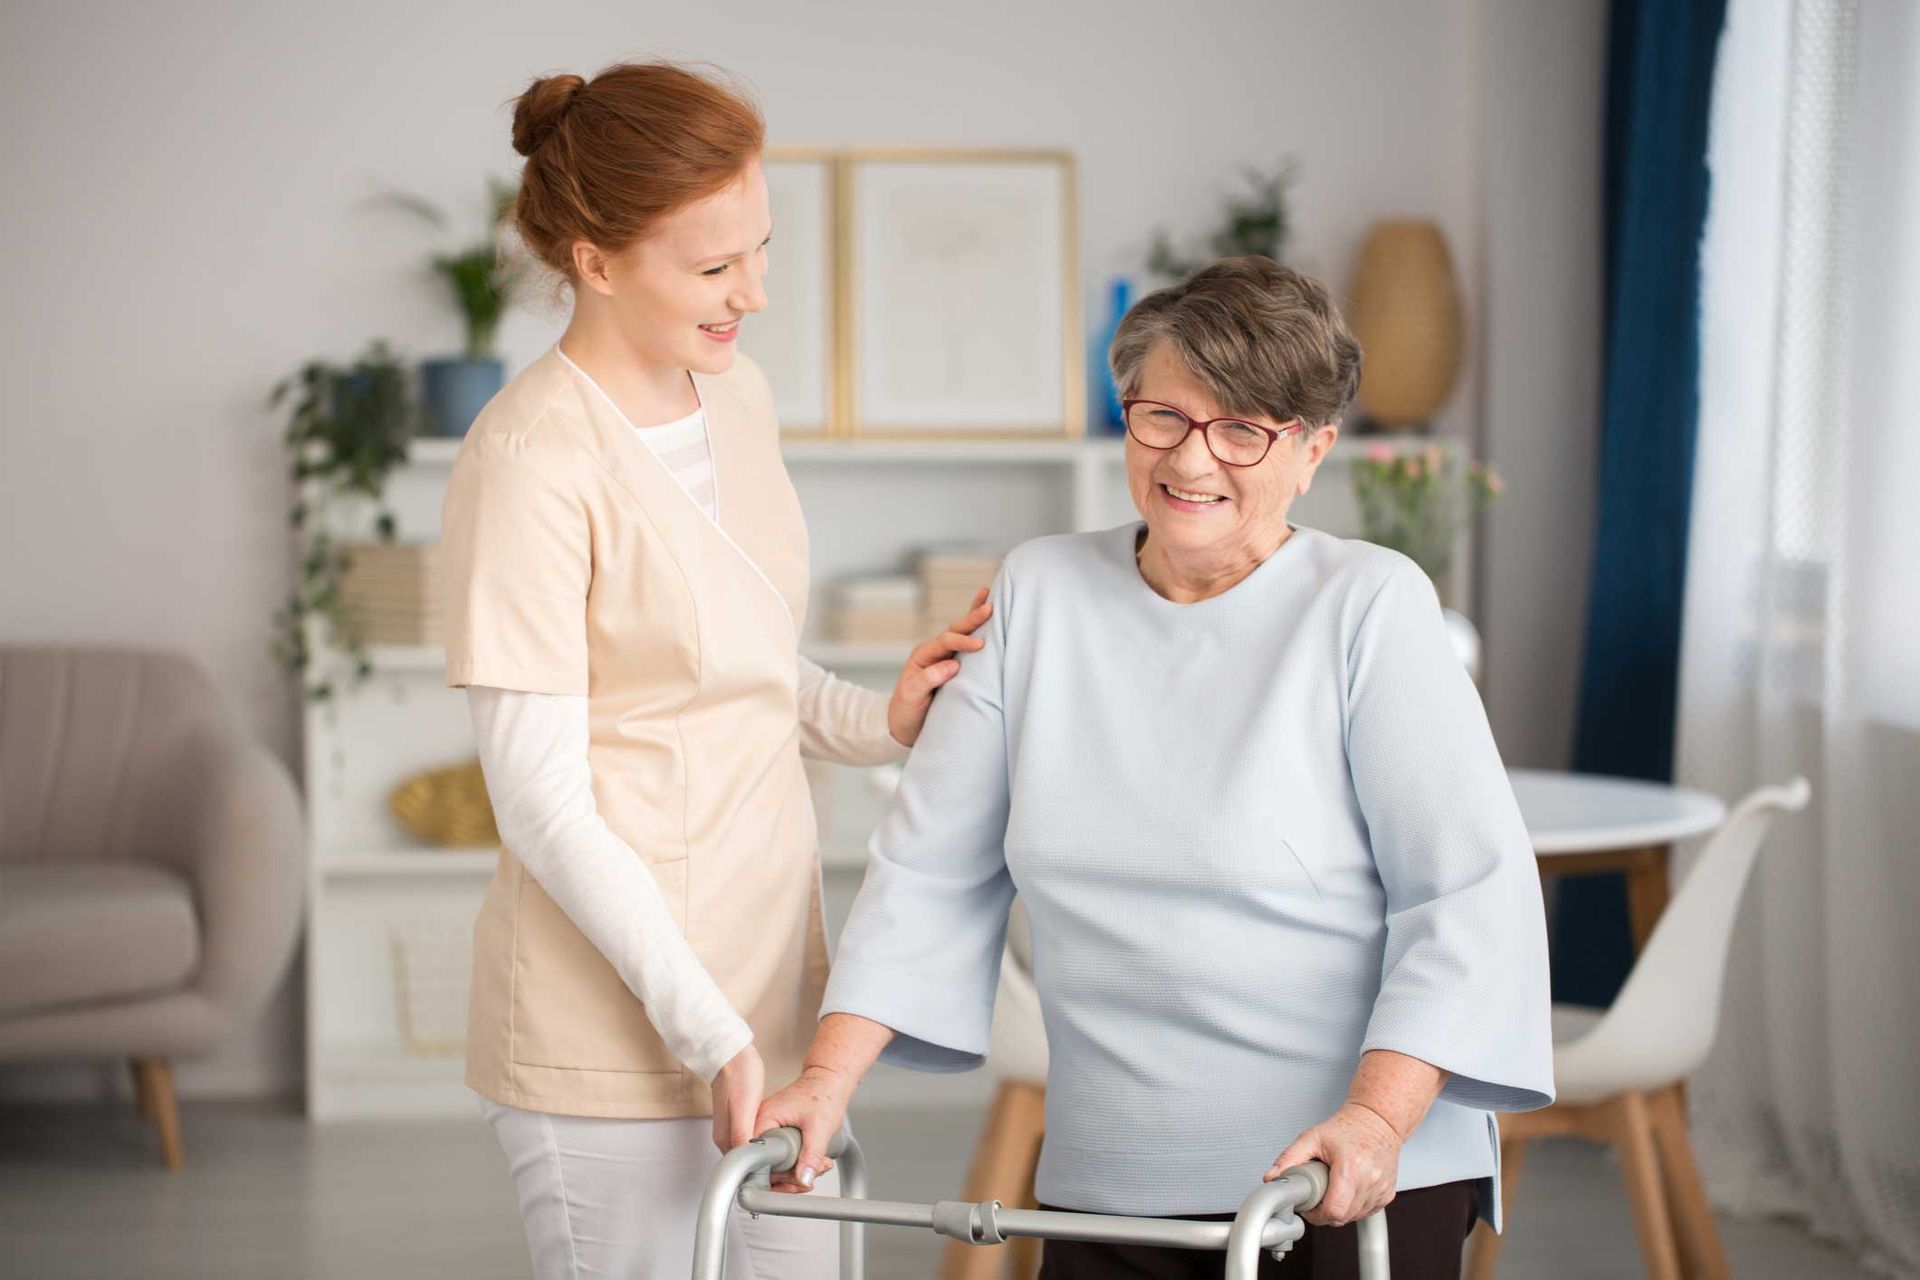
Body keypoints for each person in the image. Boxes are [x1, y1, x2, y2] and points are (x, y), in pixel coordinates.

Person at [757, 257, 1555, 1279]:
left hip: (1345, 1171)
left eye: (1244, 428)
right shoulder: (1039, 592)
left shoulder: (1368, 606)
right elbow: (929, 868)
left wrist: (1375, 1118)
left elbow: (1466, 896)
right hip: (1115, 1177)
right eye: (1164, 417)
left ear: (1311, 451)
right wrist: (826, 1080)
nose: (1194, 459)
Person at [438, 61, 989, 1280]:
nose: (755, 291)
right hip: (616, 1031)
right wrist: (710, 1032)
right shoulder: (528, 459)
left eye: (760, 249)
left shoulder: (735, 397)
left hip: (773, 991)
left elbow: (739, 657)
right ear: (594, 258)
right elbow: (539, 801)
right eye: (713, 266)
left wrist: (876, 715)